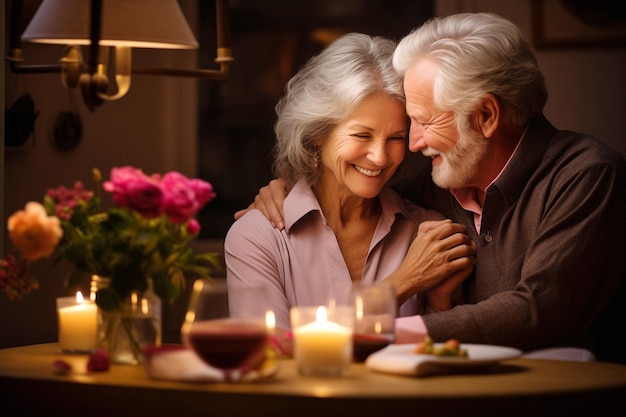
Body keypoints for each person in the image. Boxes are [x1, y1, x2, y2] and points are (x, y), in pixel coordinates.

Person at [237, 13, 626, 362]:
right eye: (411, 124)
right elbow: (347, 175)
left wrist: (380, 332)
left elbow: (538, 310)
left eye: (420, 124)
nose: (411, 146)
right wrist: (284, 190)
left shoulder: (587, 175)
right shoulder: (436, 180)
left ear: (486, 116)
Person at [225, 33, 477, 345]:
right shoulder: (257, 237)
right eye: (362, 135)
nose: (380, 157)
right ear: (318, 133)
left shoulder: (429, 232)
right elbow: (270, 349)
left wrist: (439, 302)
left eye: (396, 138)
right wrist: (404, 283)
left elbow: (445, 360)